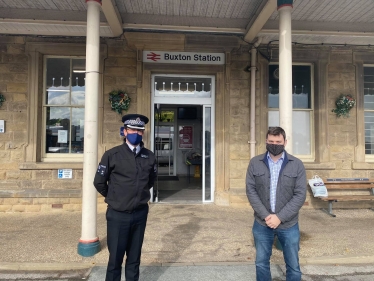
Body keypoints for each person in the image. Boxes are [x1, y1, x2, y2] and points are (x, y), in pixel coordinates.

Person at [94, 114, 157, 281]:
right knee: (115, 258)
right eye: (132, 129)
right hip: (118, 214)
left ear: (143, 132)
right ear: (125, 131)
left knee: (134, 258)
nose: (136, 132)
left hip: (140, 214)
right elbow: (99, 182)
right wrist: (114, 197)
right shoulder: (112, 155)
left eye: (139, 130)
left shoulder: (149, 156)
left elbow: (150, 181)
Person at [246, 126, 306, 281]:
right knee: (261, 263)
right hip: (262, 223)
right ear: (266, 141)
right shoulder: (255, 163)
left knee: (293, 265)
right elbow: (251, 191)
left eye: (278, 141)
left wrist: (280, 217)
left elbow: (300, 195)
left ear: (285, 142)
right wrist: (266, 216)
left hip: (289, 224)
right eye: (271, 141)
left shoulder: (297, 164)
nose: (274, 144)